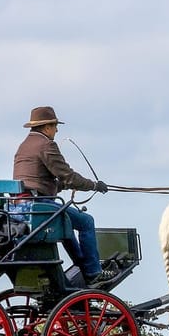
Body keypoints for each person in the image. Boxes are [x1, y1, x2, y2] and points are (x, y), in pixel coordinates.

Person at [12, 105, 115, 285]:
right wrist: (93, 185)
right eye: (54, 125)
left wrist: (62, 186)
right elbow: (67, 175)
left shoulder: (24, 146)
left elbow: (38, 179)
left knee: (67, 226)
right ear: (46, 127)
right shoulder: (46, 145)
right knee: (86, 221)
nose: (57, 130)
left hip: (19, 205)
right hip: (37, 206)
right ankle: (92, 271)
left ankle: (83, 265)